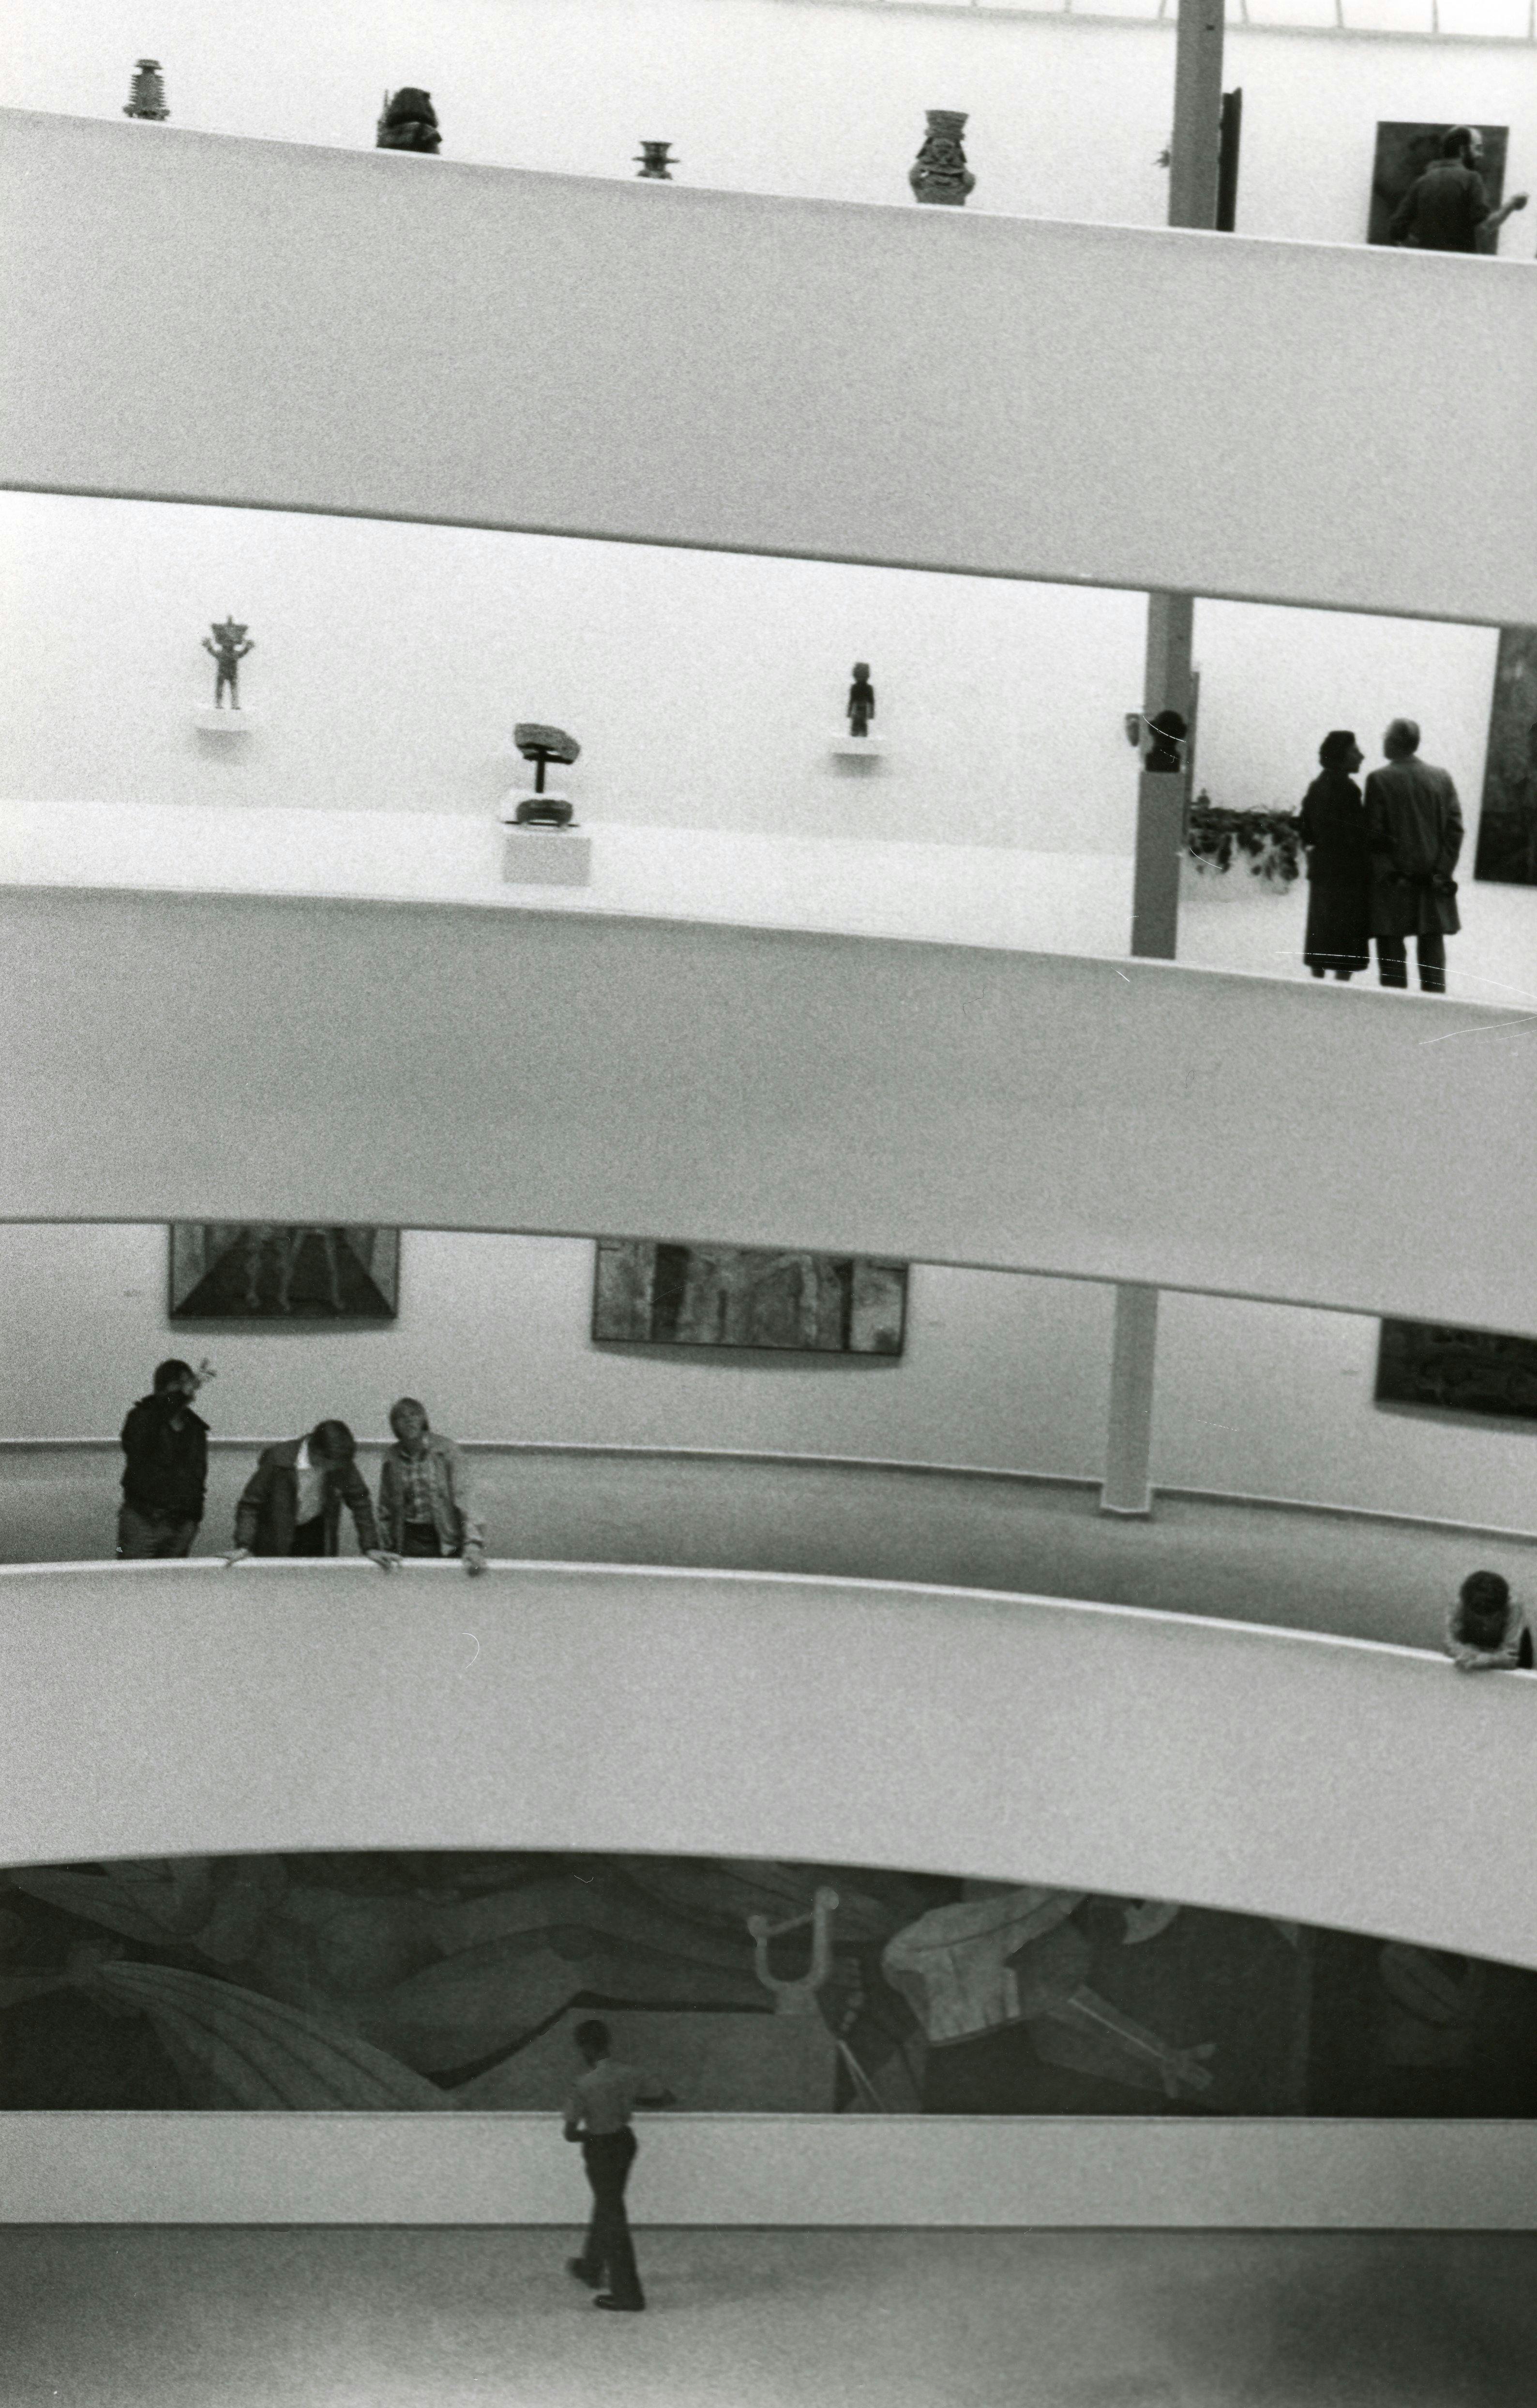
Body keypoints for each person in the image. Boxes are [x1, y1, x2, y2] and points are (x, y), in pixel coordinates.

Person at [562, 2018, 675, 2312]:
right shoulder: (630, 2074)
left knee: (613, 2215)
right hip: (625, 2143)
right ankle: (590, 2267)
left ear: (584, 2047)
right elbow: (665, 2098)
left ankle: (628, 2295)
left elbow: (570, 2133)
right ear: (607, 2042)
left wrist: (591, 2132)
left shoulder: (584, 2084)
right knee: (608, 2204)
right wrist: (627, 2101)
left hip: (600, 2148)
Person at [1364, 719, 1462, 994]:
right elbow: (1454, 831)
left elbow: (1374, 836)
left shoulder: (1379, 780)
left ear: (1395, 742)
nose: (1383, 740)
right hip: (1432, 881)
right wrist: (1441, 871)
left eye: (1386, 735)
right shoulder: (1441, 778)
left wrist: (1391, 874)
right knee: (1433, 963)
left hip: (1394, 884)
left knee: (1392, 966)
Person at [225, 1420, 396, 1567]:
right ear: (318, 1454)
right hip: (274, 1536)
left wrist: (371, 1547)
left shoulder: (340, 1461)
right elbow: (250, 1504)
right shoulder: (278, 1459)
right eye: (334, 1465)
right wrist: (244, 1545)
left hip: (315, 1533)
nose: (338, 1470)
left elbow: (360, 1502)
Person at [377, 1398, 487, 1573]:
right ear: (394, 1426)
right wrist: (386, 1547)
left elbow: (466, 1497)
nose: (409, 1420)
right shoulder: (392, 1457)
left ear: (423, 1420)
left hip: (446, 1536)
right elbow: (386, 1507)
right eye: (401, 1417)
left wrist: (473, 1544)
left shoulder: (447, 1450)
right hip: (409, 1538)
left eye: (414, 1414)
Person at [118, 1359, 211, 1558]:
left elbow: (198, 1476)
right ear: (167, 1386)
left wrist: (194, 1519)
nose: (190, 1388)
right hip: (141, 1522)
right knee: (129, 1576)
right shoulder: (140, 1418)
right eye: (182, 1383)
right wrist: (179, 1396)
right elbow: (142, 1442)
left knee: (171, 1584)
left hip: (182, 1525)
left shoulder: (195, 1428)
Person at [1297, 731, 1371, 980]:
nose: (1362, 756)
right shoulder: (1348, 790)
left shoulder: (1317, 786)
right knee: (1345, 941)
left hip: (1322, 870)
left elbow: (1305, 828)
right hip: (1347, 874)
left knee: (1322, 930)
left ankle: (1317, 984)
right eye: (1355, 751)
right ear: (1341, 756)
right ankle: (1341, 991)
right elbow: (1358, 836)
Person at [1386, 126, 1527, 255]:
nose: (1481, 155)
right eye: (1477, 148)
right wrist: (1511, 205)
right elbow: (1483, 228)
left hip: (1427, 267)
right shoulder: (1472, 179)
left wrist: (1422, 248)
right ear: (1462, 150)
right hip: (1462, 269)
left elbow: (1396, 229)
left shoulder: (1422, 181)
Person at [1444, 1568, 1532, 1673]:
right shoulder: (1460, 1603)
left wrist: (1489, 1660)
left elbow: (1511, 1657)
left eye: (1491, 1617)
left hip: (1506, 1644)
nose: (1485, 1622)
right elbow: (1449, 1644)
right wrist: (1467, 1653)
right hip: (1472, 1643)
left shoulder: (1513, 1606)